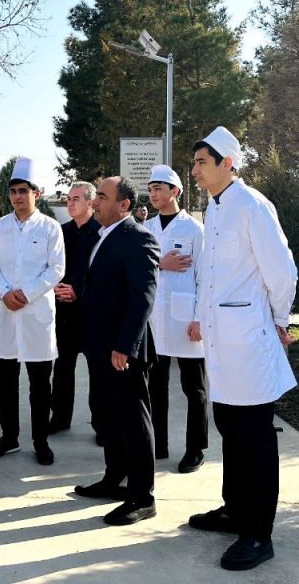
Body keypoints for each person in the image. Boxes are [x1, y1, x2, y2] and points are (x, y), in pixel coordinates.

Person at [187, 126, 298, 572]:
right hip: (222, 345)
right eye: (194, 163)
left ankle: (258, 533)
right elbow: (210, 274)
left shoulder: (252, 206)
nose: (195, 171)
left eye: (201, 162)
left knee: (254, 437)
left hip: (249, 342)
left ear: (227, 163)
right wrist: (201, 315)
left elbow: (282, 271)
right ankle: (234, 510)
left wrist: (279, 320)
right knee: (229, 429)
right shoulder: (214, 209)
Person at [73, 176, 160, 526]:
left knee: (134, 421)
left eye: (102, 196)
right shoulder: (100, 235)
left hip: (123, 351)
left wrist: (124, 346)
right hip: (98, 346)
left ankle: (142, 497)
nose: (95, 202)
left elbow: (143, 299)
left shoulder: (139, 238)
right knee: (108, 417)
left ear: (124, 205)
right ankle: (114, 479)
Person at [0, 158, 65, 465]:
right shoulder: (0, 226)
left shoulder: (50, 227)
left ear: (36, 194)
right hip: (4, 311)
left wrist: (26, 294)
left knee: (40, 385)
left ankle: (40, 441)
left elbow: (56, 268)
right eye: (13, 191)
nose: (17, 197)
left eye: (23, 191)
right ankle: (9, 437)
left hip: (35, 314)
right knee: (5, 383)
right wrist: (4, 292)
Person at [143, 164, 207, 473]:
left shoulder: (194, 229)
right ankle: (159, 444)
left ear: (175, 192)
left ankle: (196, 449)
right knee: (156, 386)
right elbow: (139, 268)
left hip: (186, 320)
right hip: (154, 320)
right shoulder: (146, 228)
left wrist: (200, 319)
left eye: (158, 188)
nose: (153, 194)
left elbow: (205, 277)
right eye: (150, 189)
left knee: (194, 388)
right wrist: (161, 263)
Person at [50, 181, 101, 435]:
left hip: (92, 314)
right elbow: (52, 267)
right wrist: (56, 288)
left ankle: (101, 425)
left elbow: (104, 274)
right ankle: (60, 418)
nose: (70, 204)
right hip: (65, 314)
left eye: (76, 199)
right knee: (62, 368)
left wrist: (78, 292)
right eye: (68, 199)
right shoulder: (61, 232)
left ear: (91, 202)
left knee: (98, 372)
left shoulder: (102, 232)